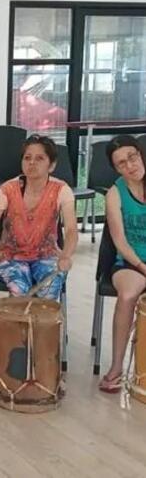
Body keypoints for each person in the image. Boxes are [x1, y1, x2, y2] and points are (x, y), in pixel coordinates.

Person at [0, 135, 78, 300]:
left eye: (40, 158)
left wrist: (66, 255)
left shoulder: (62, 190)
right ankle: (19, 326)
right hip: (11, 256)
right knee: (20, 290)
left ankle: (42, 326)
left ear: (52, 165)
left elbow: (70, 230)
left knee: (49, 291)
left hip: (47, 256)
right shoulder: (8, 188)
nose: (32, 163)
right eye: (27, 158)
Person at [99, 135, 146, 393]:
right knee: (128, 295)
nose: (130, 165)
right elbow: (119, 242)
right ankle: (116, 367)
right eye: (121, 163)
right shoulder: (115, 194)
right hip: (130, 262)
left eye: (132, 157)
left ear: (140, 154)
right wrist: (142, 266)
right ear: (116, 169)